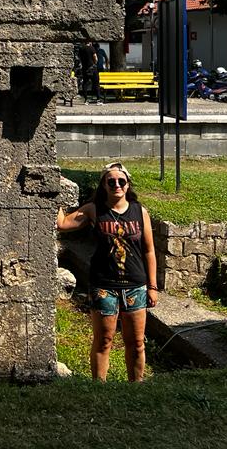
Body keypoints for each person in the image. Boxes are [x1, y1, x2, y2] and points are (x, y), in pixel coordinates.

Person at [56, 162, 158, 382]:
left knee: (137, 342)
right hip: (104, 286)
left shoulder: (140, 211)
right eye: (111, 181)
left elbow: (149, 251)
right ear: (103, 185)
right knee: (104, 340)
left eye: (121, 181)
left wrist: (152, 286)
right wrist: (53, 191)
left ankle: (136, 386)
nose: (117, 185)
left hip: (135, 286)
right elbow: (63, 224)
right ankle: (99, 387)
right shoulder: (94, 209)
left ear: (128, 184)